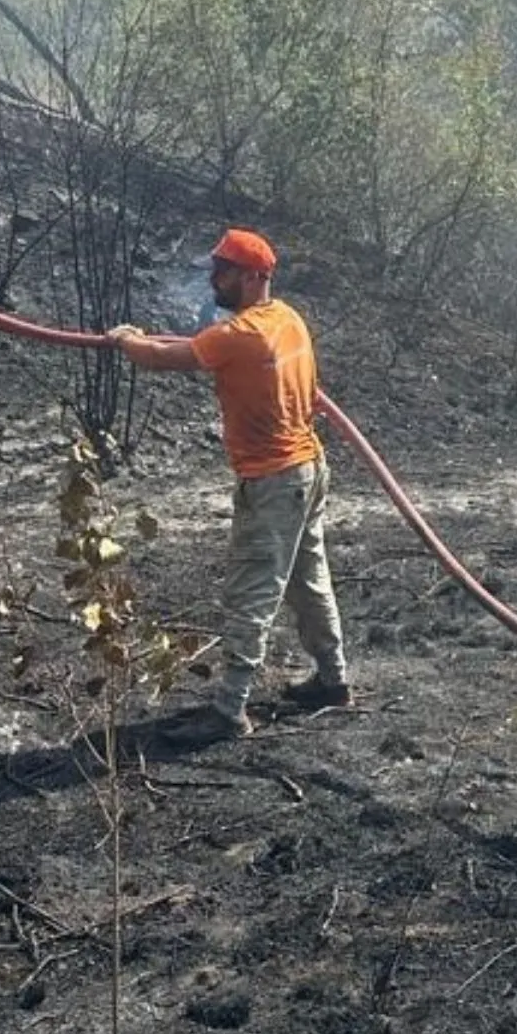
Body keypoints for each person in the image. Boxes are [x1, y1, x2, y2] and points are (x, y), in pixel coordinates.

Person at [110, 228, 351, 740]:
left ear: (248, 276)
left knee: (252, 592)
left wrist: (126, 340)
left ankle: (228, 710)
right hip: (308, 471)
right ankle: (333, 681)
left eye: (220, 272)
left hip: (272, 483)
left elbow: (161, 359)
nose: (212, 280)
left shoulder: (238, 337)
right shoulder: (287, 320)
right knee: (309, 582)